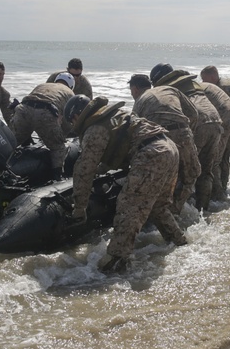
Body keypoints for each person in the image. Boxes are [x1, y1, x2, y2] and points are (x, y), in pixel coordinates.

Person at [62, 95, 187, 273]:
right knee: (158, 206)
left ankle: (116, 260)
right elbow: (120, 143)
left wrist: (79, 208)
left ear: (76, 116)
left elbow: (83, 170)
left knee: (129, 206)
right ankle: (180, 242)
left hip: (151, 154)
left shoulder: (94, 128)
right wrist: (102, 169)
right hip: (169, 148)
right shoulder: (113, 115)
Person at [150, 63, 224, 213]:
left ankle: (177, 211)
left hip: (199, 121)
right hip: (215, 119)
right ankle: (204, 209)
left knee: (186, 172)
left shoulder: (167, 88)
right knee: (206, 170)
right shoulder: (188, 80)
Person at [128, 73, 201, 214]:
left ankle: (165, 212)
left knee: (164, 180)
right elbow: (193, 113)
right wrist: (187, 133)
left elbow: (135, 131)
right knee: (192, 173)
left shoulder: (139, 102)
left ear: (135, 89)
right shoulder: (169, 89)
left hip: (161, 141)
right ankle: (179, 210)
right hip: (183, 132)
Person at [8, 73, 75, 179]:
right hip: (45, 112)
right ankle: (56, 177)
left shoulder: (42, 85)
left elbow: (29, 102)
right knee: (58, 148)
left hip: (22, 109)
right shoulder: (70, 93)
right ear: (71, 85)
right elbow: (68, 122)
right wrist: (62, 136)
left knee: (11, 143)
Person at [199, 78, 230, 201]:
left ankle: (218, 195)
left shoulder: (194, 91)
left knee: (214, 159)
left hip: (224, 117)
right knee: (225, 156)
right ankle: (223, 189)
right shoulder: (206, 86)